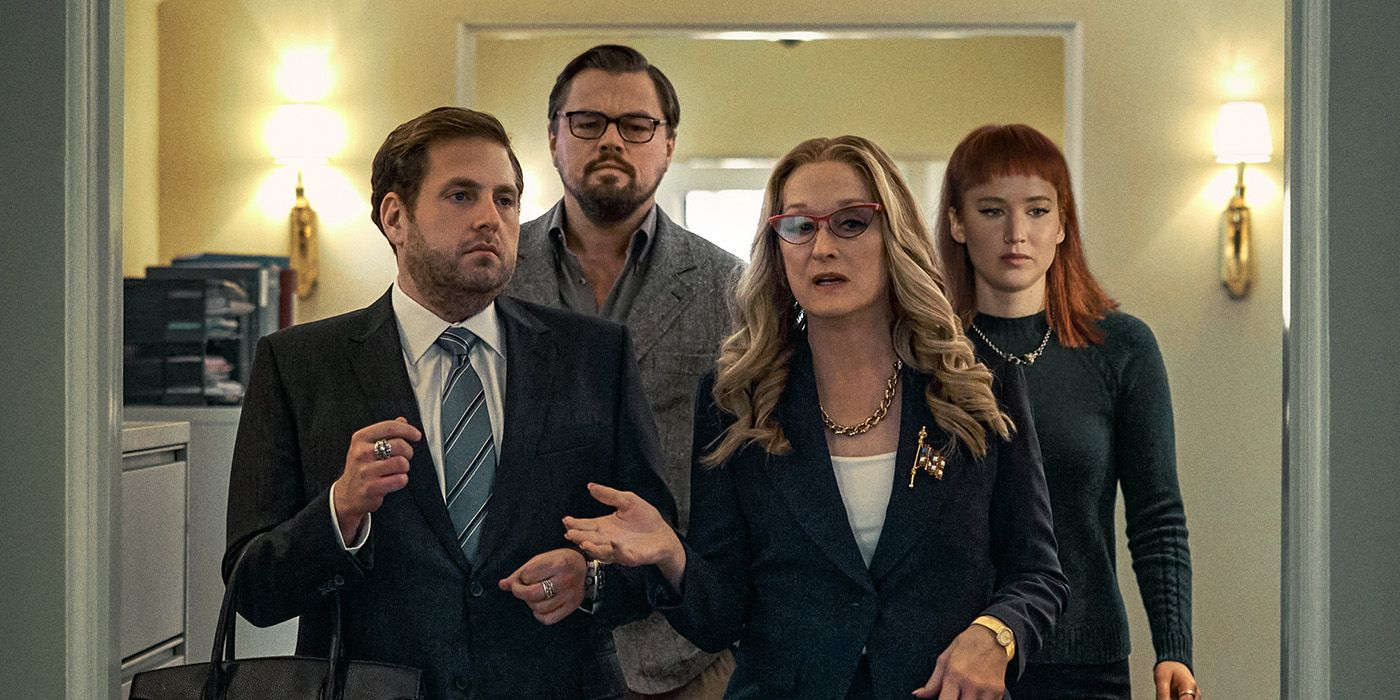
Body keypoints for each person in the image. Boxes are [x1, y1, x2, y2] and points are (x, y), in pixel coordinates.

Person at [562, 135, 1069, 698]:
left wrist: (996, 633)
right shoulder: (736, 400)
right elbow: (722, 618)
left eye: (851, 223)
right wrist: (671, 554)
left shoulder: (979, 383)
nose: (822, 247)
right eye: (800, 226)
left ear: (894, 236)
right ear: (777, 248)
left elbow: (1037, 575)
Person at [224, 106, 677, 700]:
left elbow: (658, 549)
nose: (491, 218)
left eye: (505, 200)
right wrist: (341, 509)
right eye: (461, 196)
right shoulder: (301, 365)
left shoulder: (594, 355)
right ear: (395, 217)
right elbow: (253, 591)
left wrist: (591, 580)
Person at [505, 44, 743, 699]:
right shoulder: (497, 274)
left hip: (679, 647)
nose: (611, 140)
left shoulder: (730, 287)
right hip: (517, 633)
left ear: (668, 145)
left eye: (636, 125)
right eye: (588, 122)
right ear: (553, 137)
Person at [935, 123, 1197, 700]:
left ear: (1061, 224)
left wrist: (1174, 648)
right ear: (957, 223)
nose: (1016, 233)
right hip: (951, 658)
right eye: (991, 210)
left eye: (1036, 210)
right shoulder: (927, 353)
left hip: (1085, 658)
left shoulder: (1121, 347)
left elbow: (1156, 514)